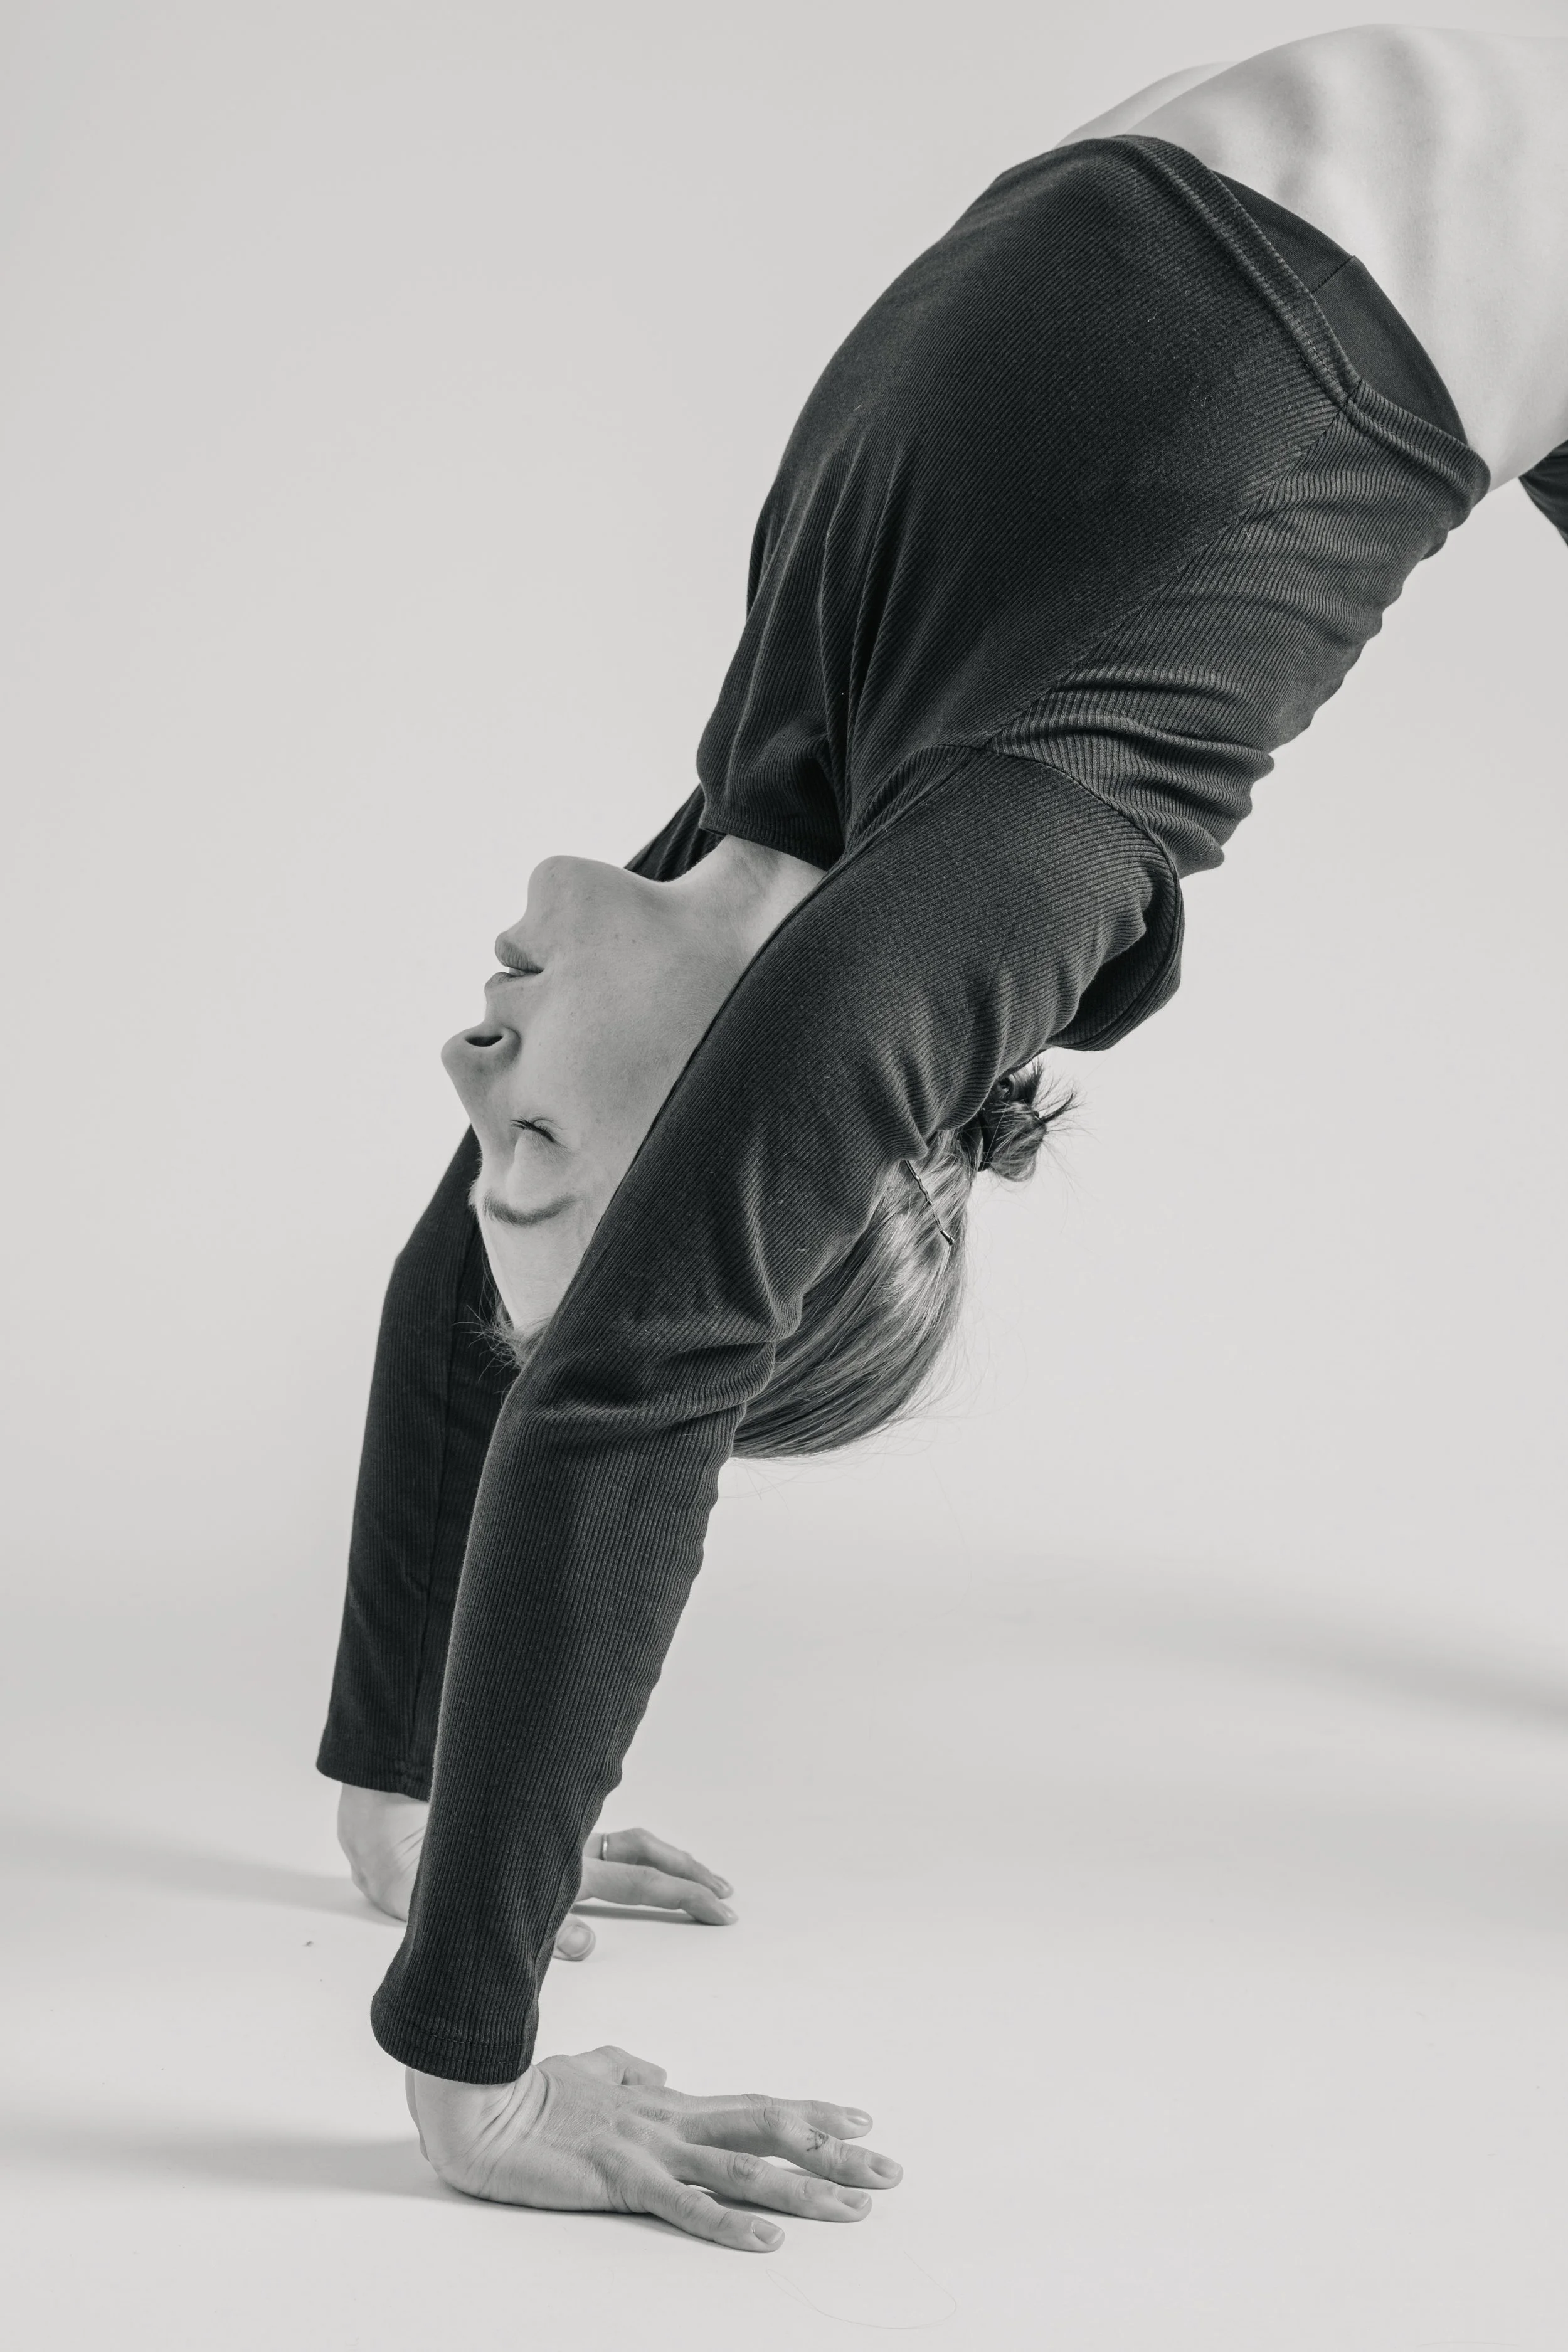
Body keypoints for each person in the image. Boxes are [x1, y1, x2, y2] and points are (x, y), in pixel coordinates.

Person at [316, 25, 1568, 2250]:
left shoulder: (781, 811)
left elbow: (488, 1307)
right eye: (550, 1176)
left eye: (491, 1159)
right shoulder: (1002, 849)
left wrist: (405, 1785)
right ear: (755, 1145)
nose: (468, 1113)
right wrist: (471, 2060)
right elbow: (619, 1387)